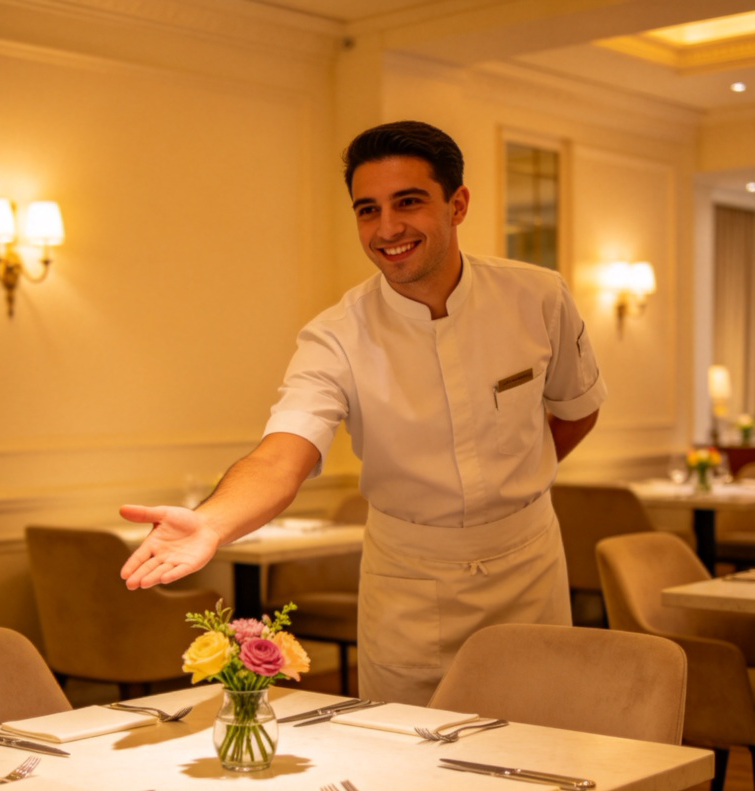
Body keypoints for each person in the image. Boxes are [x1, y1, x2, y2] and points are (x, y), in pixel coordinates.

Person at [120, 120, 606, 705]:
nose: (387, 228)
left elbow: (577, 409)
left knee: (542, 742)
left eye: (408, 203)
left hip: (528, 565)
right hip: (409, 585)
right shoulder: (336, 336)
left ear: (458, 205)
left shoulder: (538, 297)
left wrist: (516, 476)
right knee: (411, 758)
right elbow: (282, 456)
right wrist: (214, 522)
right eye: (367, 210)